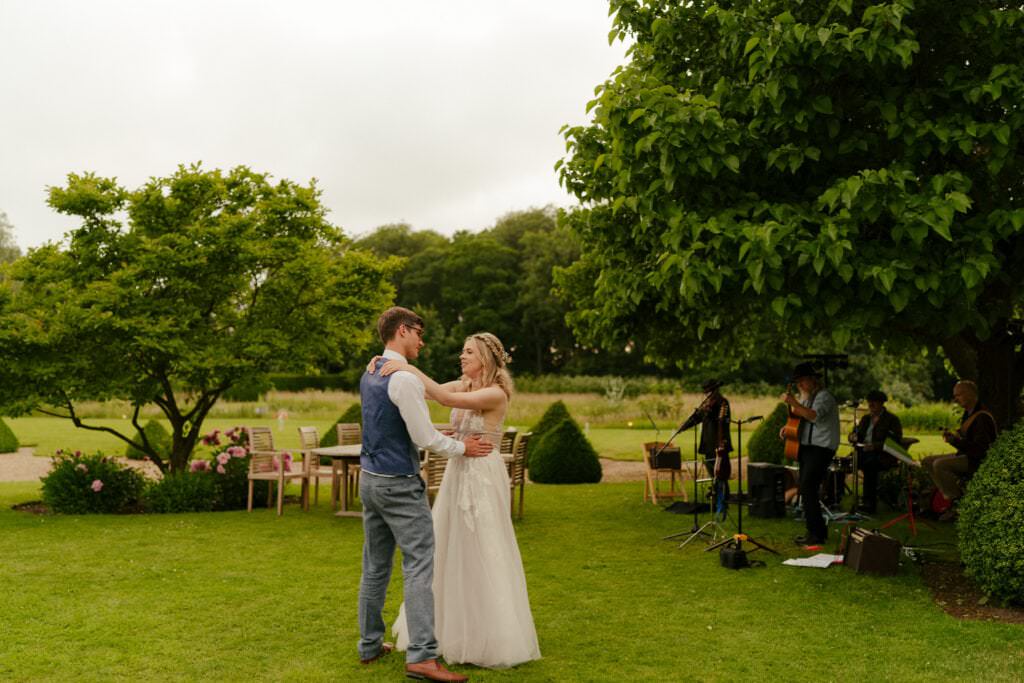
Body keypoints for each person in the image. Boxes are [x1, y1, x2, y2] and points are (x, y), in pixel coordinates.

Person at [374, 332, 541, 669]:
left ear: (485, 358)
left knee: (481, 545)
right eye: (462, 351)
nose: (461, 357)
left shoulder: (495, 392)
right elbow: (428, 391)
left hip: (481, 473)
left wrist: (398, 364)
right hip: (459, 469)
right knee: (448, 545)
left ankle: (490, 635)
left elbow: (442, 397)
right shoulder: (466, 384)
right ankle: (445, 629)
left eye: (468, 352)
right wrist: (384, 366)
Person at [357, 306, 493, 683]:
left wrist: (441, 435)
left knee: (375, 566)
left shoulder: (371, 371)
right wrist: (463, 448)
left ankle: (369, 644)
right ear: (403, 330)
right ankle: (422, 657)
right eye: (418, 332)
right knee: (419, 565)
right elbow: (423, 439)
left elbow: (395, 425)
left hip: (369, 480)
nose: (422, 340)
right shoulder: (404, 380)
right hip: (399, 484)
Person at [779, 362, 840, 547]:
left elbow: (813, 416)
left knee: (807, 487)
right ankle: (815, 531)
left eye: (802, 381)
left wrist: (794, 403)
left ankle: (817, 533)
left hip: (821, 448)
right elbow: (800, 418)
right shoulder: (806, 397)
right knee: (806, 489)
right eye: (797, 382)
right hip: (807, 447)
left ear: (812, 380)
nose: (800, 386)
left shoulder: (824, 397)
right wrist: (786, 429)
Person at [921, 380, 998, 520]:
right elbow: (967, 441)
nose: (956, 399)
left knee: (939, 464)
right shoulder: (968, 414)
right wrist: (955, 439)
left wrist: (956, 441)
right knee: (927, 461)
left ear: (970, 394)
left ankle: (957, 503)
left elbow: (980, 450)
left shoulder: (982, 417)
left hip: (977, 461)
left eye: (959, 395)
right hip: (966, 455)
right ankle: (949, 497)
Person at [680, 379, 732, 517]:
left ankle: (723, 502)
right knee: (712, 473)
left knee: (721, 474)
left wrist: (709, 411)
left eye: (710, 391)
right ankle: (716, 500)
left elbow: (722, 423)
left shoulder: (723, 403)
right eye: (706, 392)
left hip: (720, 444)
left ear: (715, 390)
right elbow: (696, 418)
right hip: (708, 443)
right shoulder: (706, 404)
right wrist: (683, 427)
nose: (708, 394)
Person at [848, 390, 904, 514]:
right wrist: (852, 437)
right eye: (869, 402)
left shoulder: (891, 420)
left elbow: (895, 441)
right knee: (841, 463)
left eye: (874, 402)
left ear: (881, 403)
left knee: (870, 465)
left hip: (882, 455)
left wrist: (874, 446)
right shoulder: (865, 419)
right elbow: (856, 434)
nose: (871, 405)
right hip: (862, 452)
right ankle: (832, 497)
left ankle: (869, 503)